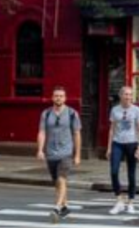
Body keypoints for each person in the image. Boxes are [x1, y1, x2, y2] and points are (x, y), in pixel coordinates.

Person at [35, 85, 81, 222]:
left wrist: (77, 154)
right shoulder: (46, 113)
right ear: (52, 97)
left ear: (65, 98)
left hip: (66, 152)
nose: (58, 98)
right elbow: (42, 132)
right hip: (50, 153)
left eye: (61, 96)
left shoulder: (72, 113)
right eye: (56, 96)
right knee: (58, 183)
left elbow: (77, 134)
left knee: (62, 179)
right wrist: (40, 150)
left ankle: (56, 207)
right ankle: (65, 207)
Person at [106, 86, 139, 215]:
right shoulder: (114, 110)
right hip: (117, 143)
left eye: (130, 95)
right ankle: (119, 200)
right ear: (120, 96)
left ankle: (131, 203)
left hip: (132, 144)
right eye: (125, 94)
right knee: (114, 171)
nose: (128, 97)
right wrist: (109, 147)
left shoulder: (136, 110)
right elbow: (112, 129)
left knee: (131, 174)